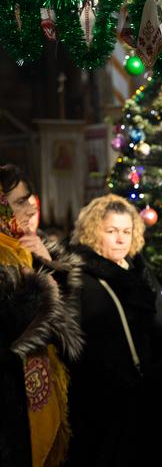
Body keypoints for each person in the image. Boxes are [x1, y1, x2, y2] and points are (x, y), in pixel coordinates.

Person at [66, 194, 162, 466]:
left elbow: (161, 326)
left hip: (143, 391)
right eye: (111, 231)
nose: (120, 239)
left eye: (126, 231)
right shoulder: (80, 276)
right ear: (94, 233)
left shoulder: (138, 271)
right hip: (102, 401)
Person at [0, 164, 83, 466]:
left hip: (32, 386)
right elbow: (13, 329)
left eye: (30, 198)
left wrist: (48, 265)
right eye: (19, 200)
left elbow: (67, 329)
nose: (30, 206)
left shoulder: (22, 249)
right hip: (10, 395)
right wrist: (42, 285)